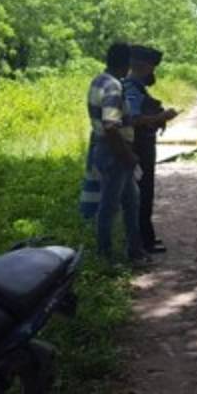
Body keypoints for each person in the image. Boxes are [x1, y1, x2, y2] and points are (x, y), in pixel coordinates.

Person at [83, 43, 147, 266]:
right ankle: (106, 257)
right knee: (109, 206)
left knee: (131, 201)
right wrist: (127, 155)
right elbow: (111, 126)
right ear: (126, 63)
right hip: (114, 152)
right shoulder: (113, 87)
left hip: (108, 149)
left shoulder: (98, 81)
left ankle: (135, 252)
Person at [124, 45, 179, 255]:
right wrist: (161, 117)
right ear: (144, 67)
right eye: (152, 68)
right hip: (139, 147)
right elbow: (134, 119)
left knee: (143, 192)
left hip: (142, 145)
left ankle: (145, 238)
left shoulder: (135, 87)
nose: (153, 73)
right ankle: (144, 241)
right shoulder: (132, 88)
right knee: (143, 193)